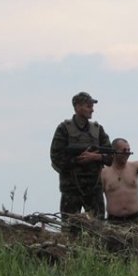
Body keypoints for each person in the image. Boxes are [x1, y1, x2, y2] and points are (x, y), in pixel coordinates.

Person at [49, 91, 111, 220]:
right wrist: (78, 161)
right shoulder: (64, 129)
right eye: (88, 106)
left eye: (92, 106)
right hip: (71, 189)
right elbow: (56, 158)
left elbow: (111, 156)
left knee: (98, 225)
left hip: (94, 187)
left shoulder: (97, 130)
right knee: (69, 225)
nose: (92, 110)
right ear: (77, 107)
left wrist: (96, 157)